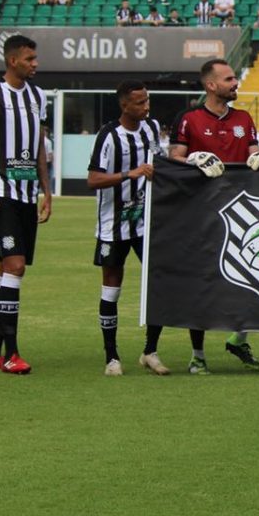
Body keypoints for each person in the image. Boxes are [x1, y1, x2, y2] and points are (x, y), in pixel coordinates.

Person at [168, 59, 259, 374]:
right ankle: (197, 355)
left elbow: (253, 151)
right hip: (201, 215)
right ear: (211, 85)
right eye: (229, 78)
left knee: (255, 279)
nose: (235, 82)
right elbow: (174, 159)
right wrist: (193, 158)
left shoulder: (244, 118)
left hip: (241, 214)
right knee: (202, 284)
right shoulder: (189, 120)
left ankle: (239, 339)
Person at [0, 35, 51, 374]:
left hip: (27, 193)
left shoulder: (37, 96)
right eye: (30, 58)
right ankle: (11, 353)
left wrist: (47, 190)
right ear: (13, 60)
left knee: (9, 270)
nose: (35, 63)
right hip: (0, 191)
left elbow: (39, 148)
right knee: (14, 265)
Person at [86, 82, 166, 377]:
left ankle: (150, 351)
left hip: (145, 222)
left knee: (158, 281)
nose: (146, 107)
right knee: (112, 287)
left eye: (147, 101)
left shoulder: (151, 128)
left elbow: (159, 162)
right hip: (113, 225)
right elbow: (93, 179)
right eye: (140, 103)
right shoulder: (108, 136)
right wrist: (128, 174)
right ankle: (112, 357)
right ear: (124, 106)